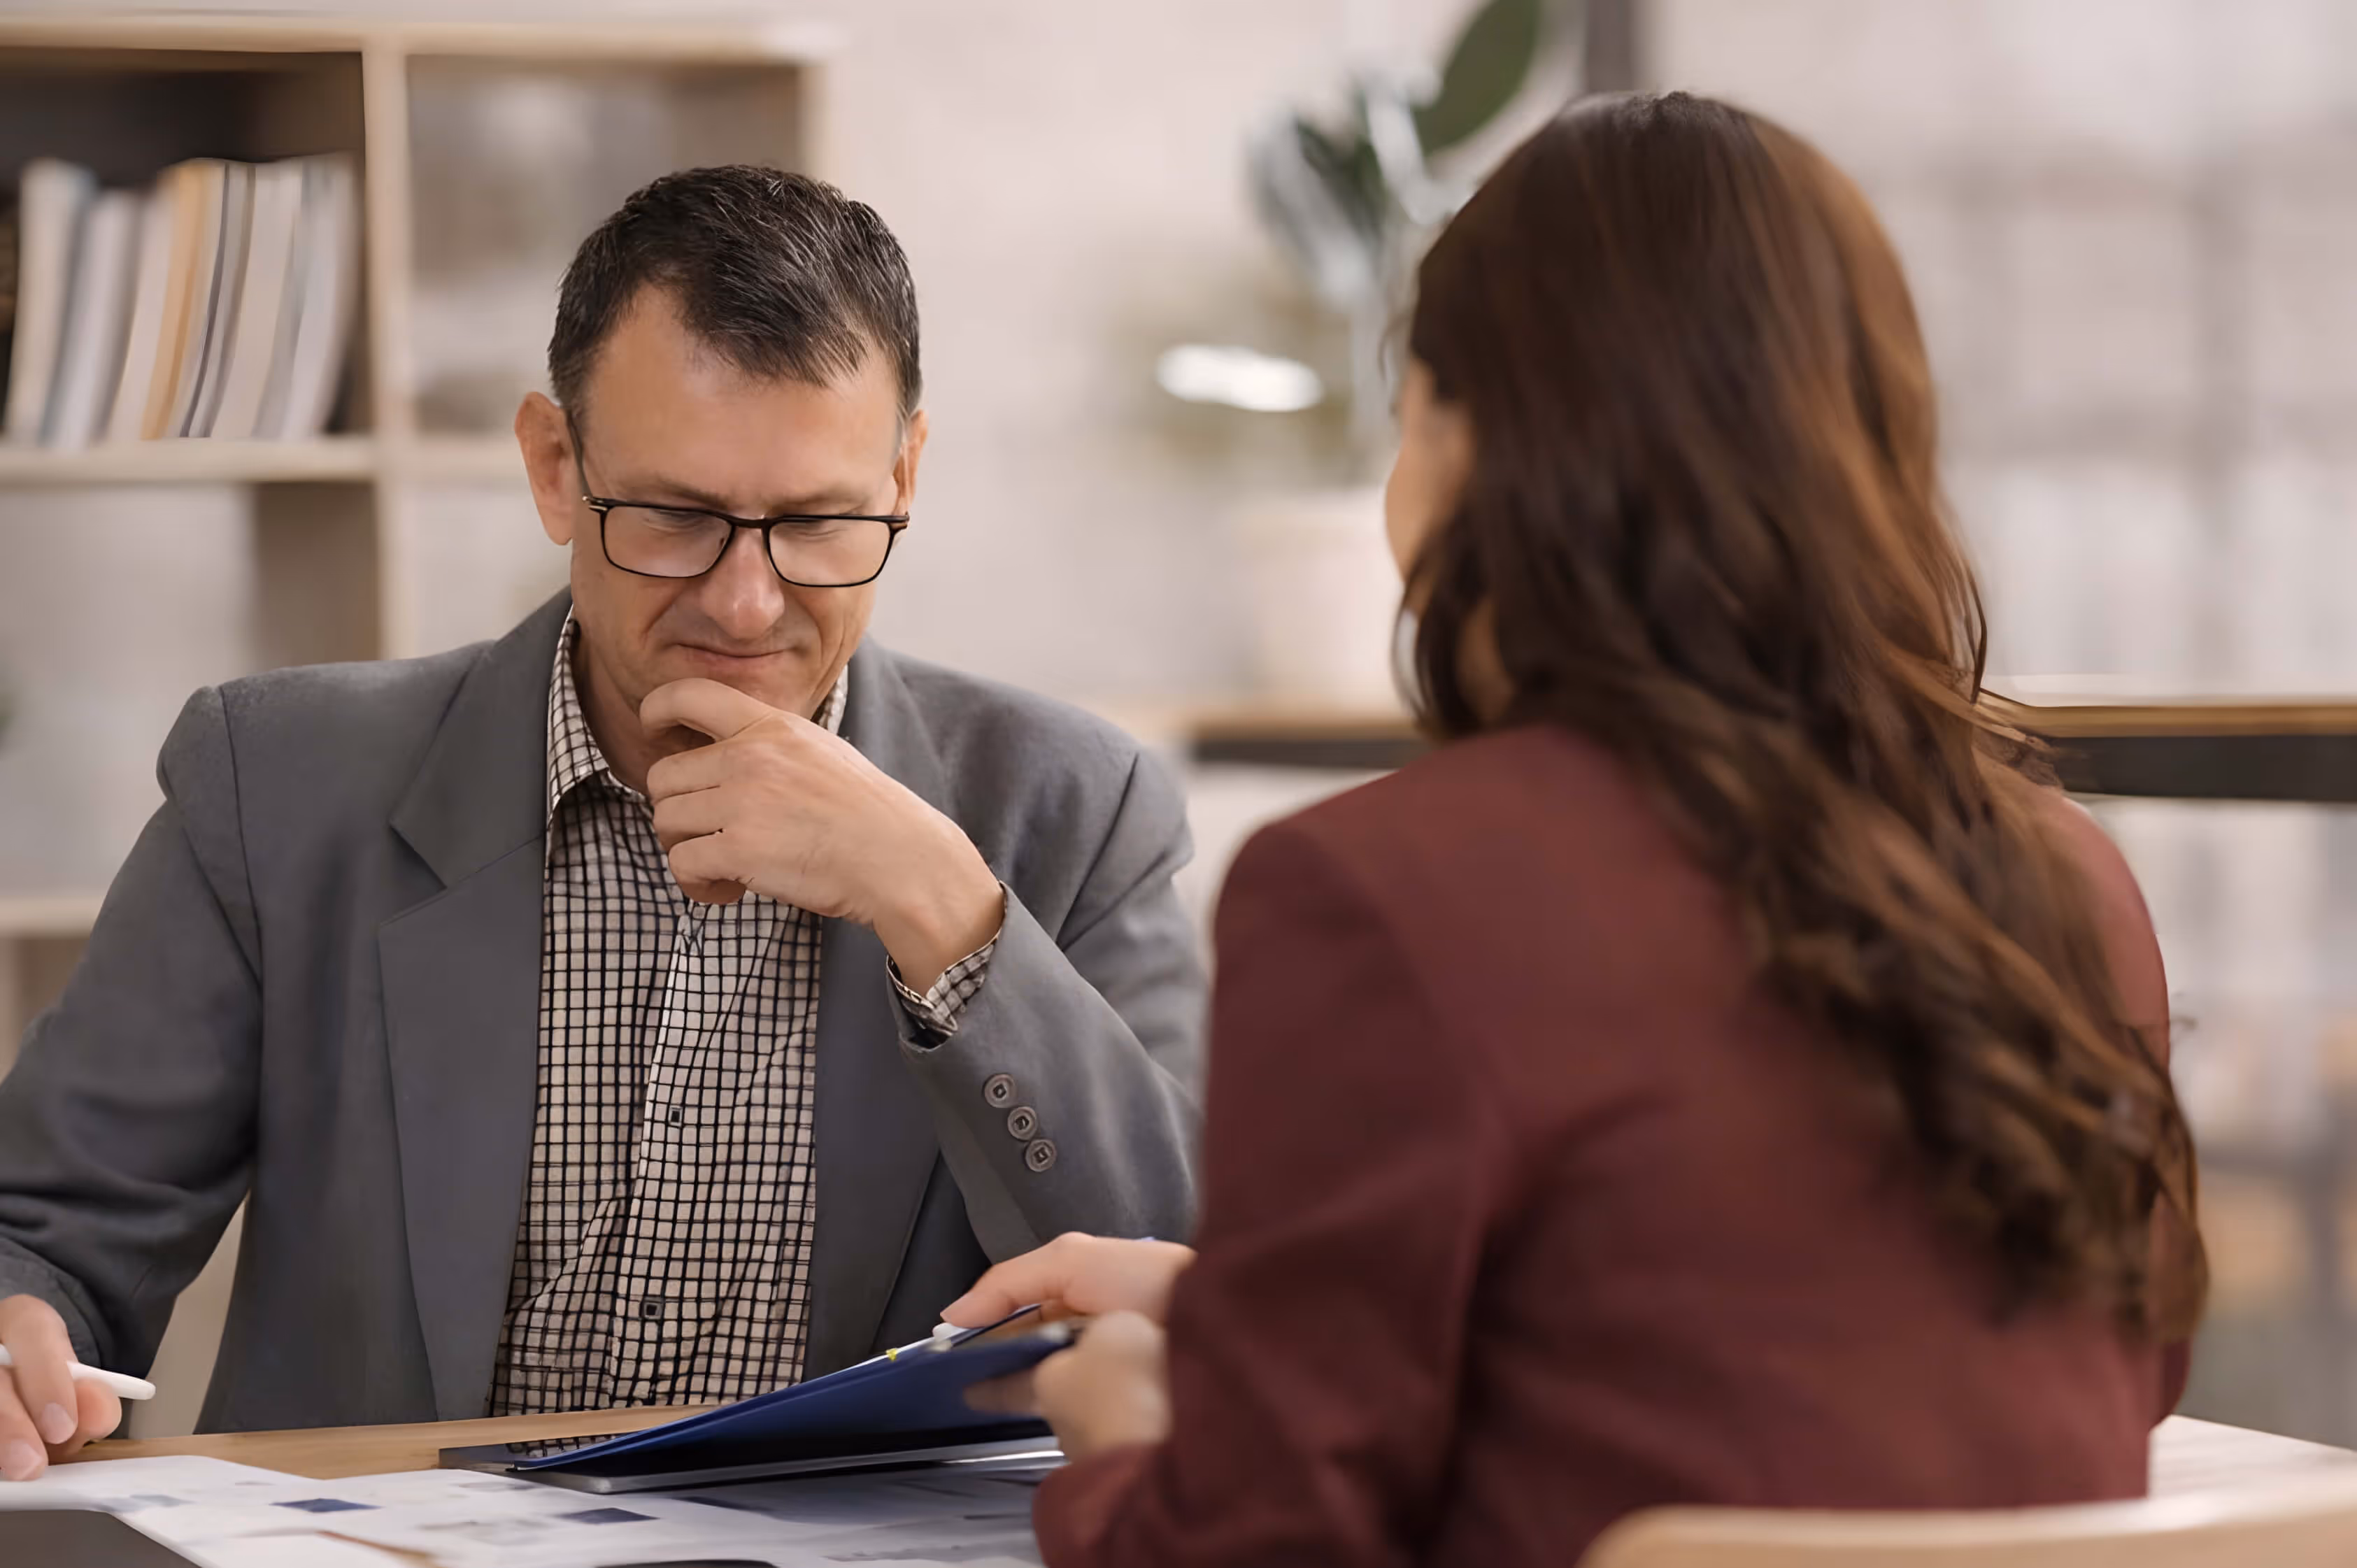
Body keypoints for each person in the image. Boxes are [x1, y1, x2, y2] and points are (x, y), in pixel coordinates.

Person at [945, 93, 2208, 1566]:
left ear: (1471, 439)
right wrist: (1252, 1313)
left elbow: (1258, 1541)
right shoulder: (2071, 877)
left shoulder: (1377, 891)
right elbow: (2104, 1364)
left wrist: (1134, 1443)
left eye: (1407, 403)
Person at [0, 167, 1204, 1477]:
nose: (748, 603)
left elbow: (1199, 1288)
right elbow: (49, 1233)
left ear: (904, 475)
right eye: (677, 517)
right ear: (555, 467)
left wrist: (943, 914)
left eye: (814, 522)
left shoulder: (1076, 806)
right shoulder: (275, 781)